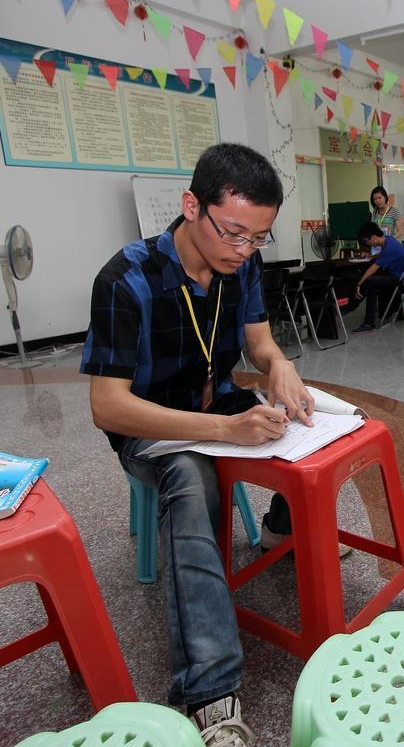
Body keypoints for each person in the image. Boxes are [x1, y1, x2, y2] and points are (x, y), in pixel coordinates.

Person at [80, 143, 316, 747]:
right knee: (190, 481)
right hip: (151, 426)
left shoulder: (244, 265)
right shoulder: (125, 279)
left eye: (258, 238)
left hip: (218, 405)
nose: (244, 250)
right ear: (192, 206)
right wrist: (221, 431)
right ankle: (209, 694)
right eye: (234, 233)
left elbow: (259, 344)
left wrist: (279, 366)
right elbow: (107, 405)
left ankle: (279, 532)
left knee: (313, 422)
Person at [352, 221, 404, 333]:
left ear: (374, 237)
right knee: (373, 284)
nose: (368, 245)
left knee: (369, 281)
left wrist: (359, 283)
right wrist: (372, 256)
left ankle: (367, 321)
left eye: (367, 241)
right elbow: (382, 255)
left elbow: (374, 268)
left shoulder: (389, 248)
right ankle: (369, 319)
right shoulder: (389, 240)